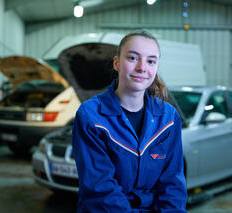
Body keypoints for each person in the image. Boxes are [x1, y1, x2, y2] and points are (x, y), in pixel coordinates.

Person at [72, 30, 187, 212]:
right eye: (133, 58)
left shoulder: (169, 118)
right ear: (117, 63)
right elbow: (99, 189)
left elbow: (173, 183)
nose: (142, 67)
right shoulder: (91, 116)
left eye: (151, 61)